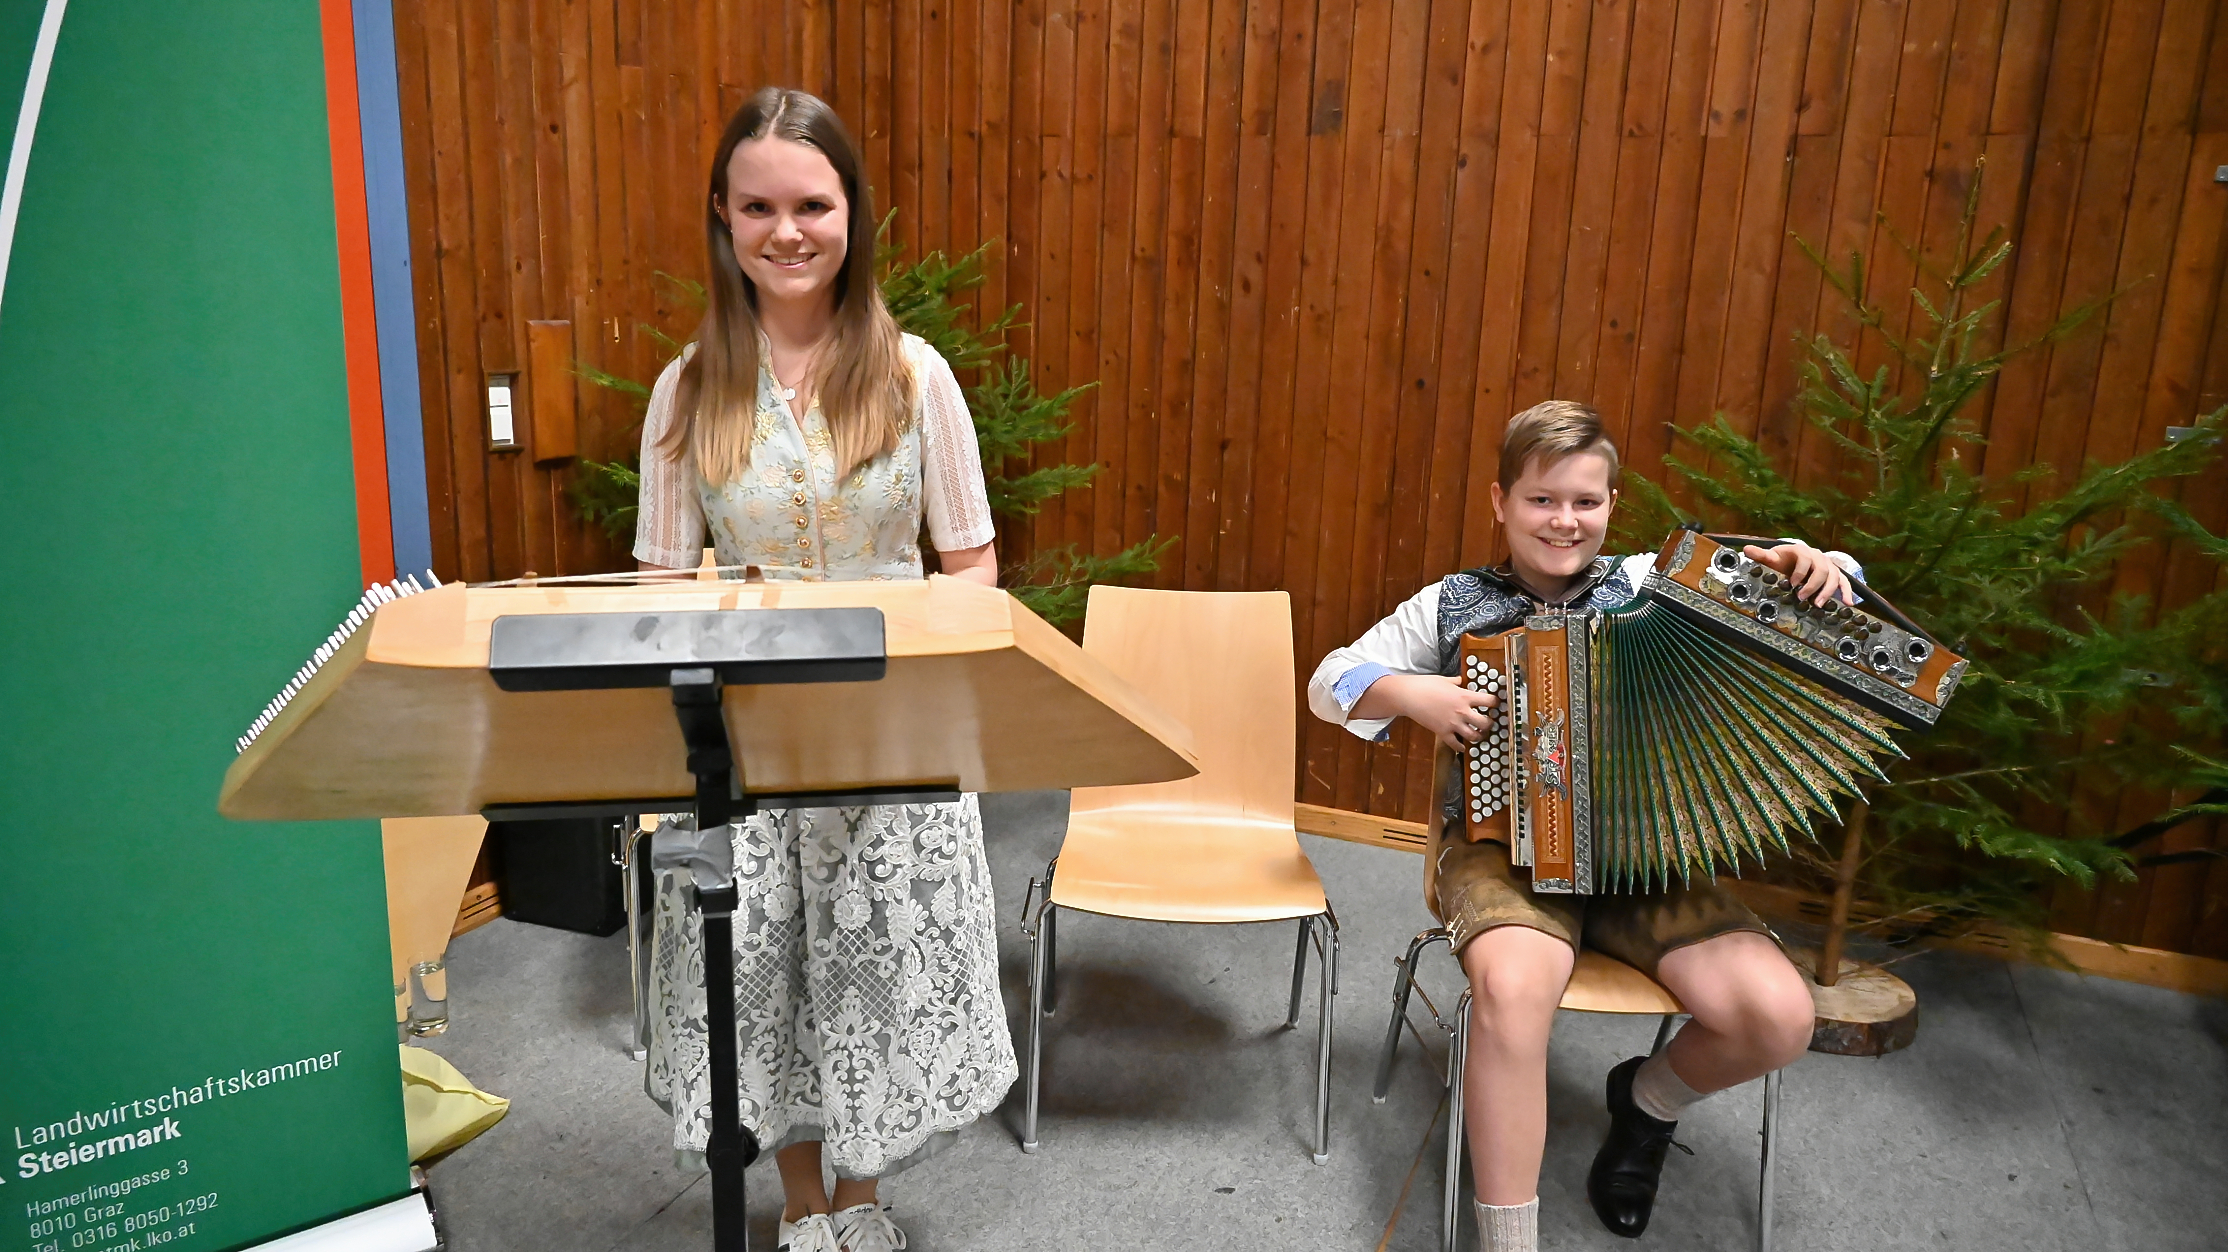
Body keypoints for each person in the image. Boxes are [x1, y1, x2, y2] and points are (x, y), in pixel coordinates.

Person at [1308, 402, 1842, 1250]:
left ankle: (1648, 1102)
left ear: (1611, 504)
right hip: (1500, 857)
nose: (1565, 521)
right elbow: (1328, 681)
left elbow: (1808, 584)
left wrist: (1818, 562)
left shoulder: (1651, 583)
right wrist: (1411, 693)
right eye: (1542, 500)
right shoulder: (1451, 604)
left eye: (1585, 502)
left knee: (1778, 1016)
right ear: (1500, 502)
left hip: (1643, 859)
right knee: (1515, 995)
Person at [633, 87, 1008, 1252]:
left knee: (870, 969)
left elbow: (971, 564)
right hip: (743, 743)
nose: (785, 232)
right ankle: (799, 1200)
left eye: (811, 205)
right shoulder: (688, 387)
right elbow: (659, 584)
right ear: (722, 214)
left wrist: (923, 687)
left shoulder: (915, 378)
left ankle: (861, 1196)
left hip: (885, 736)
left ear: (852, 212)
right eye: (758, 207)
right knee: (761, 971)